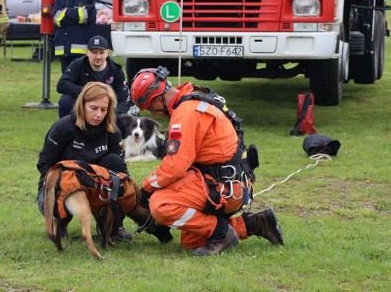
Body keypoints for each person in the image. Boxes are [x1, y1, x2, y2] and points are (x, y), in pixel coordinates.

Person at [129, 67, 284, 256]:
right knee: (192, 241)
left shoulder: (186, 113)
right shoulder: (193, 99)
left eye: (150, 108)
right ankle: (253, 223)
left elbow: (175, 167)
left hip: (222, 187)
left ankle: (222, 233)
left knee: (161, 204)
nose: (153, 114)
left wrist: (147, 188)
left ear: (157, 98)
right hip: (228, 182)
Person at [36, 82, 132, 241]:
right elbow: (45, 164)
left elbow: (121, 170)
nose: (99, 115)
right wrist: (65, 185)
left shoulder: (113, 131)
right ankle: (59, 221)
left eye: (103, 109)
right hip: (64, 184)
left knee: (116, 167)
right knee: (57, 192)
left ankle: (113, 226)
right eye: (93, 108)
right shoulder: (62, 127)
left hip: (96, 186)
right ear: (82, 105)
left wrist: (126, 194)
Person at [56, 35, 128, 120]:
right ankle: (68, 129)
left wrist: (113, 116)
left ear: (107, 53)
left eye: (101, 52)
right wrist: (89, 92)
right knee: (66, 101)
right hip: (83, 102)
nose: (98, 56)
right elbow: (62, 85)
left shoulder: (116, 70)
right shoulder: (78, 64)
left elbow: (124, 99)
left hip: (106, 107)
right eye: (94, 52)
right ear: (87, 52)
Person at [53, 0, 96, 73]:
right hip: (64, 48)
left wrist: (66, 12)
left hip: (81, 48)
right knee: (66, 80)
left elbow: (86, 15)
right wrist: (76, 13)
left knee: (81, 79)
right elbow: (57, 19)